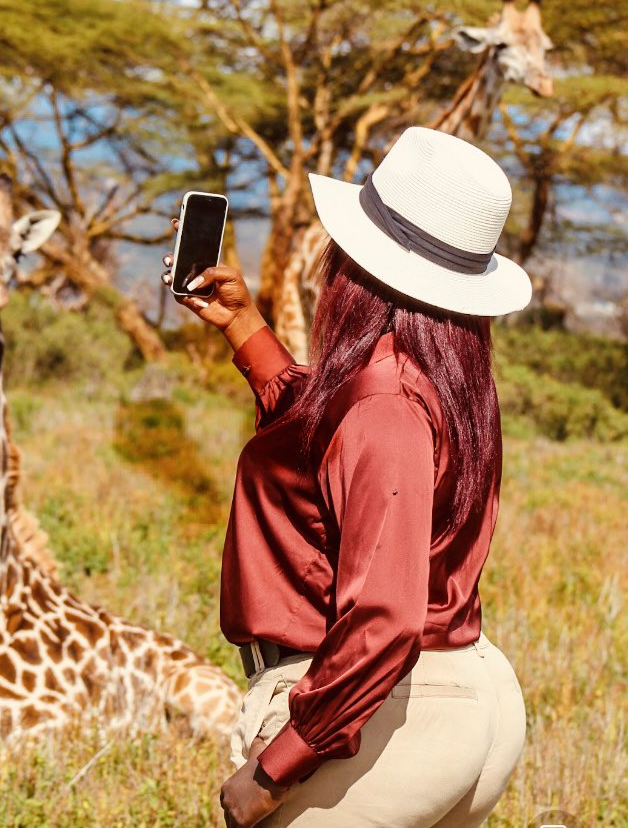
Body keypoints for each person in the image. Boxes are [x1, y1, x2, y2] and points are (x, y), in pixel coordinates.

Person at [161, 127, 529, 828]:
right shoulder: (440, 375)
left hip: (382, 709)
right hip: (468, 684)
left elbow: (384, 619)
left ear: (359, 265)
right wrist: (247, 332)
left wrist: (277, 769)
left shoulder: (386, 405)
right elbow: (328, 443)